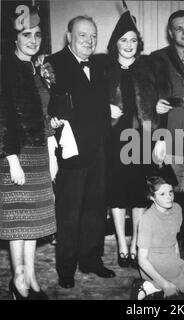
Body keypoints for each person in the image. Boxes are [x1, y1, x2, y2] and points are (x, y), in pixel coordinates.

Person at [46, 15, 115, 289]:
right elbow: (50, 106)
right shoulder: (53, 64)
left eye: (93, 36)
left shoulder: (98, 65)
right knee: (69, 211)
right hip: (71, 150)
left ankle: (91, 260)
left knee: (95, 208)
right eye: (83, 35)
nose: (89, 41)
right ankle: (66, 269)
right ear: (69, 36)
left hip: (98, 149)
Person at [106, 6, 170, 268]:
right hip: (113, 139)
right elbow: (89, 101)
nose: (129, 44)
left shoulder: (152, 66)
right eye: (123, 40)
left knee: (139, 193)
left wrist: (162, 140)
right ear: (115, 43)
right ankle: (122, 243)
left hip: (144, 137)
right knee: (118, 193)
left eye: (133, 39)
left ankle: (136, 244)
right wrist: (104, 108)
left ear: (139, 43)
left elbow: (163, 106)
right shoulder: (104, 68)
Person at [0, 8, 56, 299]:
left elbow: (45, 115)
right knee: (18, 223)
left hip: (39, 154)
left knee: (35, 220)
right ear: (15, 37)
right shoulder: (5, 67)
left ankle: (32, 275)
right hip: (17, 155)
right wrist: (12, 161)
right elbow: (3, 117)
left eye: (37, 34)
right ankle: (17, 279)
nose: (33, 40)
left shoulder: (37, 68)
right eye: (26, 35)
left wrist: (53, 153)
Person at [151, 10, 184, 259]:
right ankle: (170, 239)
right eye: (179, 28)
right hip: (170, 128)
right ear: (170, 32)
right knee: (171, 188)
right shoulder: (157, 58)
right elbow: (147, 94)